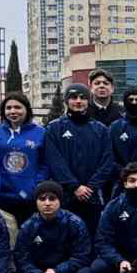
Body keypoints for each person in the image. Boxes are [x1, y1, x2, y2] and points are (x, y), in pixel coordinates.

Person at [10, 181, 95, 273]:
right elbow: (22, 259)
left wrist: (57, 272)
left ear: (60, 201)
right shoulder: (28, 227)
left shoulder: (75, 223)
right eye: (42, 199)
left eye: (52, 198)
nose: (47, 203)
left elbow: (82, 256)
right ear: (36, 202)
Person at [44, 83, 115, 239]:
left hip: (93, 196)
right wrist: (74, 186)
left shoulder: (101, 129)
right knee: (65, 238)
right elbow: (55, 161)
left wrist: (91, 187)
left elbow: (107, 161)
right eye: (74, 97)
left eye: (83, 98)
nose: (78, 101)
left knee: (93, 237)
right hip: (66, 196)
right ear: (66, 101)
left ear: (88, 101)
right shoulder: (54, 128)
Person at [0, 91, 46, 226]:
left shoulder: (40, 133)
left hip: (29, 197)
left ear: (26, 109)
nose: (13, 111)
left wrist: (35, 185)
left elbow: (45, 163)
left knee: (27, 235)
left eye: (17, 107)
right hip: (2, 197)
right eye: (8, 108)